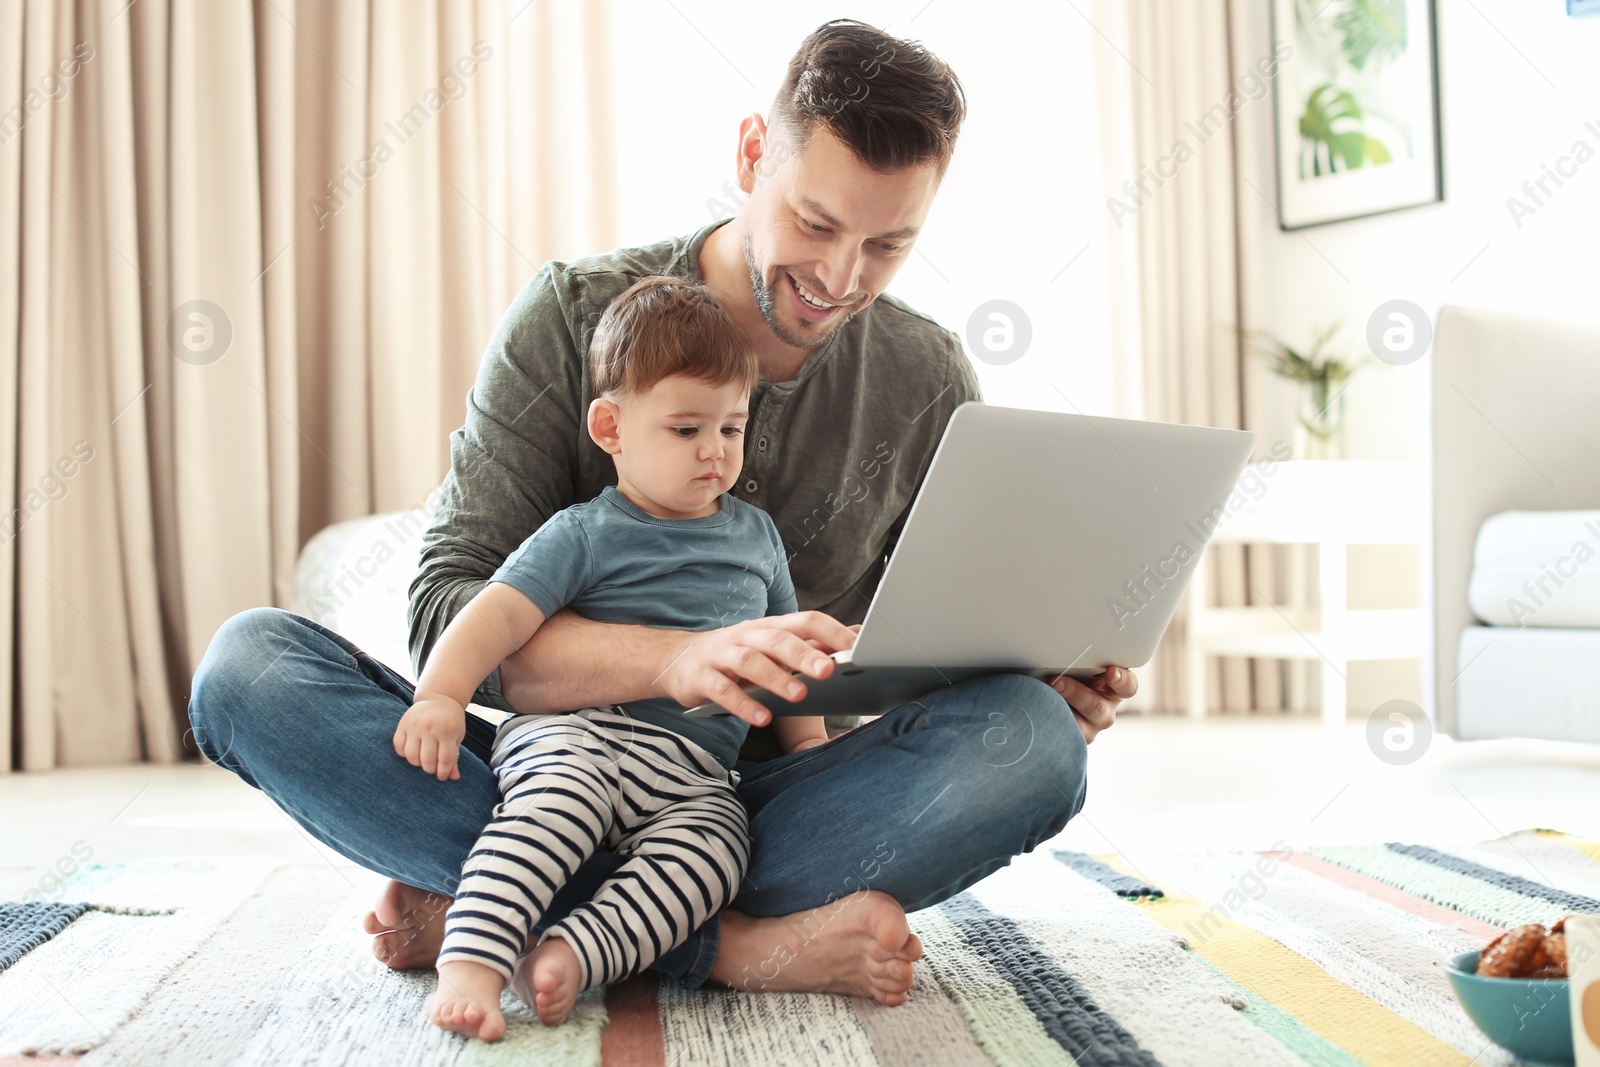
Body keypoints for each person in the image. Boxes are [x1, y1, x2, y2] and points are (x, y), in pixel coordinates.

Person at [185, 18, 1137, 1012]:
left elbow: (921, 652)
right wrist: (669, 660)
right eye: (814, 223)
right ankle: (728, 945)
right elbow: (444, 614)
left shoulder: (926, 376)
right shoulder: (569, 316)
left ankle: (494, 905)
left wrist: (1038, 675)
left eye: (888, 244)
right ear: (749, 155)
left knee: (1030, 739)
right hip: (543, 775)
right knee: (249, 668)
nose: (840, 279)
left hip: (764, 812)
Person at [412, 275, 809, 1038]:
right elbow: (492, 616)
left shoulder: (757, 537)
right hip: (577, 735)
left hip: (691, 771)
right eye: (686, 429)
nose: (714, 452)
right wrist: (440, 696)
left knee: (717, 856)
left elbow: (785, 662)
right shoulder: (585, 531)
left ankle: (574, 950)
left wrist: (813, 759)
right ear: (610, 426)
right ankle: (472, 961)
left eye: (731, 429)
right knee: (555, 806)